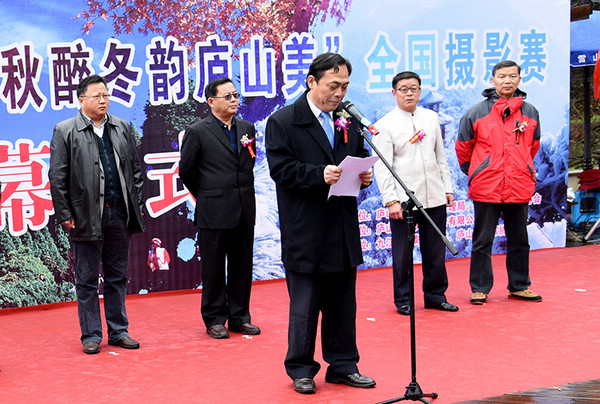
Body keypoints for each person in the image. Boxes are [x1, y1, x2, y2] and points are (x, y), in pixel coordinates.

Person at [265, 53, 375, 395]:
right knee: (305, 307)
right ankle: (301, 368)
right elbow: (281, 169)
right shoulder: (284, 121)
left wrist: (364, 176)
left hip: (342, 227)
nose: (339, 93)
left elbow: (356, 158)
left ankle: (343, 365)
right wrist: (318, 175)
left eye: (345, 86)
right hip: (307, 229)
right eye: (333, 85)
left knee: (343, 305)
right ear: (312, 82)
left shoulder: (347, 120)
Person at [49, 74, 146, 355]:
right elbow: (57, 176)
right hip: (85, 216)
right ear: (82, 100)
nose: (103, 100)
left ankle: (119, 331)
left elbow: (135, 171)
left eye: (106, 95)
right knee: (87, 279)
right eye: (97, 96)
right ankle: (91, 334)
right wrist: (65, 212)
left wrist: (136, 204)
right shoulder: (65, 130)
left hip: (120, 214)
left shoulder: (121, 126)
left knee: (117, 277)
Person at [179, 77, 260, 339]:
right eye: (228, 96)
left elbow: (248, 164)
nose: (234, 100)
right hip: (213, 211)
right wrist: (207, 195)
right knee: (213, 268)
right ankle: (214, 318)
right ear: (211, 101)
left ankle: (240, 317)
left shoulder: (247, 128)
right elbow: (187, 171)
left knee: (242, 266)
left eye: (236, 95)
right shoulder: (198, 131)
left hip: (244, 208)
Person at [455, 60, 542, 305]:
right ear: (493, 80)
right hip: (487, 185)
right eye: (502, 76)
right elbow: (463, 148)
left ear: (520, 79)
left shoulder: (530, 112)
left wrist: (521, 167)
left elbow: (533, 146)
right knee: (483, 240)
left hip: (518, 184)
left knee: (520, 239)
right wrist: (477, 170)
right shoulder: (476, 112)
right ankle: (480, 288)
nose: (507, 81)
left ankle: (519, 285)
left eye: (512, 76)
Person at [372, 71, 458, 316]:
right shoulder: (385, 125)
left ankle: (436, 296)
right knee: (403, 253)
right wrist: (391, 200)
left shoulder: (431, 118)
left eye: (414, 89)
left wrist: (447, 188)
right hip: (404, 200)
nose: (409, 93)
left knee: (436, 250)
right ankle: (403, 299)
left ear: (420, 91)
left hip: (434, 196)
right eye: (403, 89)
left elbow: (440, 157)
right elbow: (382, 166)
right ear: (394, 93)